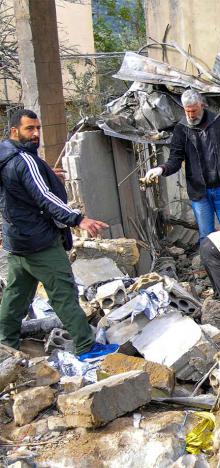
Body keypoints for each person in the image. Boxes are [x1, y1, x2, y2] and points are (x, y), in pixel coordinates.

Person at [0, 109, 109, 355]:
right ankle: (86, 346)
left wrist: (47, 174)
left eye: (38, 128)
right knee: (64, 294)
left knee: (15, 297)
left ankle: (6, 345)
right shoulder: (24, 161)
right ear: (14, 131)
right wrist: (78, 219)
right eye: (30, 129)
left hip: (17, 242)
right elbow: (45, 197)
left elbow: (19, 190)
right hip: (40, 243)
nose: (36, 133)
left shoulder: (6, 156)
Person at [144, 89, 220, 239]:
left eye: (194, 110)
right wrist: (161, 169)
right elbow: (175, 160)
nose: (191, 115)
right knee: (206, 235)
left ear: (202, 105)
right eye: (188, 111)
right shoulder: (181, 129)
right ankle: (209, 263)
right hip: (199, 192)